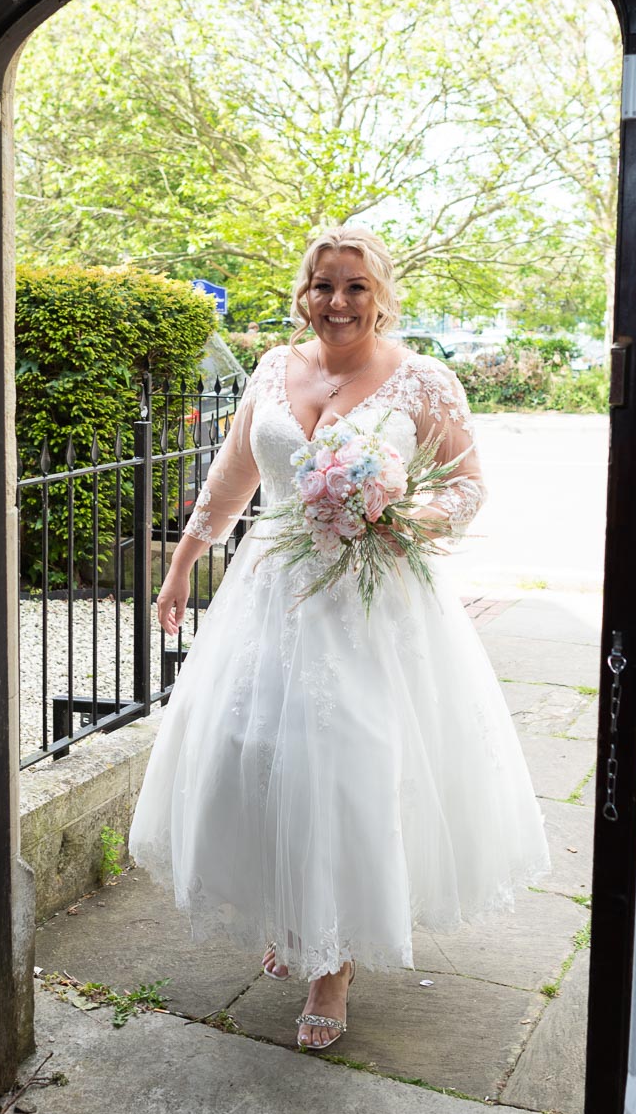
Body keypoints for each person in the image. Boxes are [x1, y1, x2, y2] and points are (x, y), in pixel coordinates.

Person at [128, 228, 549, 1050]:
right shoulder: (273, 372)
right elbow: (231, 477)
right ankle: (295, 915)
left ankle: (335, 963)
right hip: (271, 596)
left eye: (355, 286)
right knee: (257, 754)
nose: (338, 302)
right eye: (323, 285)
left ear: (380, 293)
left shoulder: (422, 380)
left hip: (372, 602)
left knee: (348, 767)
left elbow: (467, 485)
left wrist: (403, 517)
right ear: (303, 293)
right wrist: (181, 565)